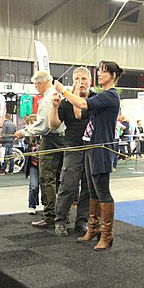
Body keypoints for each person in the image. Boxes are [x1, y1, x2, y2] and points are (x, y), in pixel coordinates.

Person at [55, 60, 123, 251]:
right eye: (99, 71)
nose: (99, 74)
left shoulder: (110, 96)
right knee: (92, 191)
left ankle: (107, 235)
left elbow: (83, 103)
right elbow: (79, 112)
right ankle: (93, 228)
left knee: (102, 192)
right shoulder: (103, 95)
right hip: (91, 147)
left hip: (101, 149)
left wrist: (65, 91)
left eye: (103, 72)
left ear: (113, 76)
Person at [14, 70, 64, 227]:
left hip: (51, 140)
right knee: (61, 180)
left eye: (36, 85)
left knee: (47, 178)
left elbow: (43, 126)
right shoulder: (58, 94)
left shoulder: (48, 98)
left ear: (42, 83)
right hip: (63, 140)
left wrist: (23, 132)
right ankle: (63, 216)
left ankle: (50, 216)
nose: (36, 89)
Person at [49, 66, 94, 236]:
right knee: (68, 186)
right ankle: (60, 221)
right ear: (72, 81)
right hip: (73, 148)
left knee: (88, 188)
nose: (80, 82)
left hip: (92, 149)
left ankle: (82, 222)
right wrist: (54, 107)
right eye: (77, 79)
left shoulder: (95, 98)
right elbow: (53, 125)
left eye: (83, 79)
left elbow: (82, 107)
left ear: (90, 81)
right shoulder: (66, 102)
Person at [24, 114, 41, 215]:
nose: (31, 125)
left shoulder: (43, 134)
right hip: (33, 164)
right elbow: (27, 150)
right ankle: (31, 205)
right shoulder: (27, 137)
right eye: (29, 123)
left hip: (44, 164)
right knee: (33, 186)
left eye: (33, 122)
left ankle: (47, 207)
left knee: (46, 187)